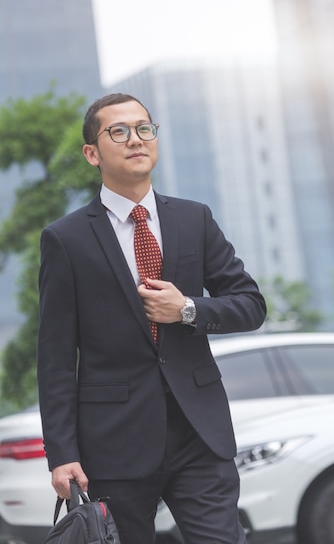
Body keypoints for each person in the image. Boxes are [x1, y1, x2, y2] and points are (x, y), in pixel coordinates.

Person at [37, 92, 266, 544]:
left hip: (199, 432)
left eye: (144, 128)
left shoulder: (193, 219)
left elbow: (250, 304)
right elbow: (56, 357)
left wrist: (188, 309)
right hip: (114, 441)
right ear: (92, 153)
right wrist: (61, 454)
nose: (135, 139)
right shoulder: (66, 239)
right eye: (118, 131)